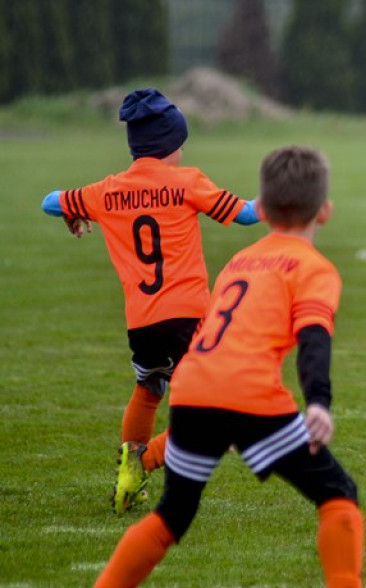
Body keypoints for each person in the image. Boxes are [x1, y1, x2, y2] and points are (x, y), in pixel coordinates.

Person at [61, 145, 366, 588]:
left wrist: (222, 421)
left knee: (172, 514)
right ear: (324, 212)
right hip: (247, 392)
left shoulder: (239, 260)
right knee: (338, 493)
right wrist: (318, 402)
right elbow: (314, 338)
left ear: (264, 211)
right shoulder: (314, 267)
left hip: (193, 388)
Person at [41, 88, 260, 515]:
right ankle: (145, 462)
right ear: (171, 144)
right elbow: (247, 214)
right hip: (187, 317)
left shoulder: (107, 191)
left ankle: (126, 476)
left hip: (141, 322)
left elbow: (49, 201)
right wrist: (284, 198)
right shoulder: (187, 182)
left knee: (149, 388)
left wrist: (73, 212)